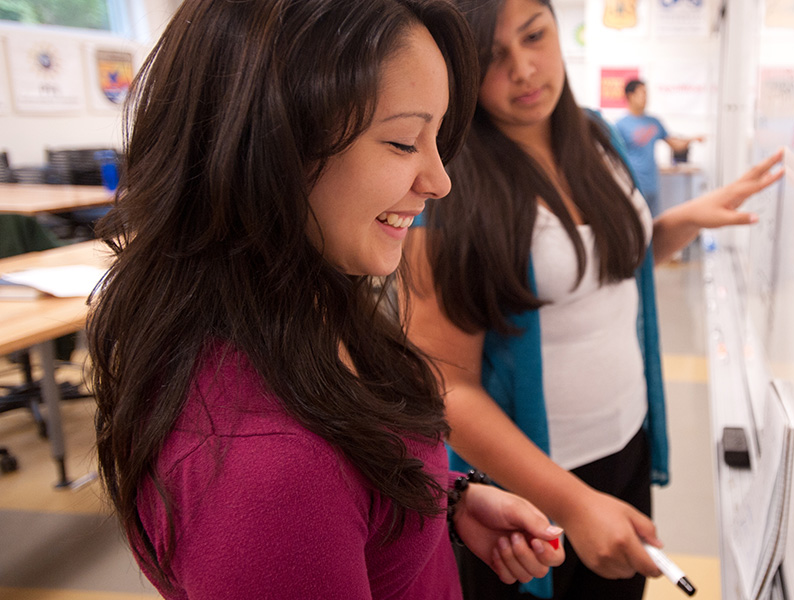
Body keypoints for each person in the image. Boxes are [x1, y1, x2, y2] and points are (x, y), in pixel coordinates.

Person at [87, 0, 563, 598]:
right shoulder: (267, 473)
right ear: (269, 146)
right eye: (400, 142)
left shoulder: (308, 302)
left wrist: (444, 497)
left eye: (435, 138)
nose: (439, 181)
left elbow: (352, 464)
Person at [400, 0, 783, 597]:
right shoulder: (454, 187)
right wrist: (573, 504)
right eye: (493, 56)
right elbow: (445, 385)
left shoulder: (593, 136)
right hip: (528, 481)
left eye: (534, 36)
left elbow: (602, 273)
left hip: (626, 445)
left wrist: (681, 222)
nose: (524, 70)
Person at [615, 79, 705, 216]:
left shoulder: (654, 122)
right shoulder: (620, 125)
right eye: (642, 93)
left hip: (652, 185)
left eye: (647, 93)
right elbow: (615, 158)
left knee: (654, 226)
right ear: (630, 96)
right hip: (633, 186)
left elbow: (675, 144)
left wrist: (692, 139)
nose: (646, 97)